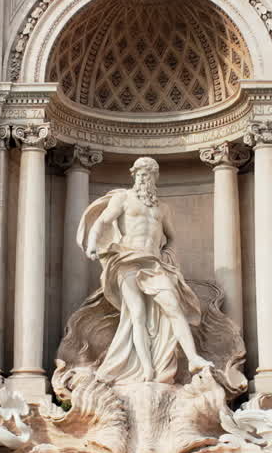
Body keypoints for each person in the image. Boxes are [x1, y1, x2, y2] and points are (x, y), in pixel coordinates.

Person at [78, 156, 212, 383]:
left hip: (153, 263)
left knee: (173, 307)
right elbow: (102, 222)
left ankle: (193, 358)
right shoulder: (123, 198)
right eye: (139, 173)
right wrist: (92, 244)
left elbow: (171, 237)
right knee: (136, 315)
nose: (143, 177)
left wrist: (168, 256)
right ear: (134, 176)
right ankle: (147, 369)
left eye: (147, 174)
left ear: (154, 178)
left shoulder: (162, 209)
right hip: (127, 260)